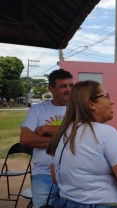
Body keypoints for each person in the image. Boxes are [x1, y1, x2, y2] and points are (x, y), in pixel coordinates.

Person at [46, 80, 117, 207]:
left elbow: (56, 179)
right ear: (91, 104)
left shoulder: (61, 134)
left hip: (64, 203)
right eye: (106, 96)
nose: (111, 101)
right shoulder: (106, 133)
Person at [20, 69, 73, 207]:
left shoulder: (78, 109)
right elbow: (26, 139)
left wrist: (46, 130)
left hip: (73, 175)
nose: (68, 89)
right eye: (63, 86)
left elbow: (81, 135)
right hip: (43, 175)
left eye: (71, 85)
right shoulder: (37, 110)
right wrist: (65, 139)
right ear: (51, 89)